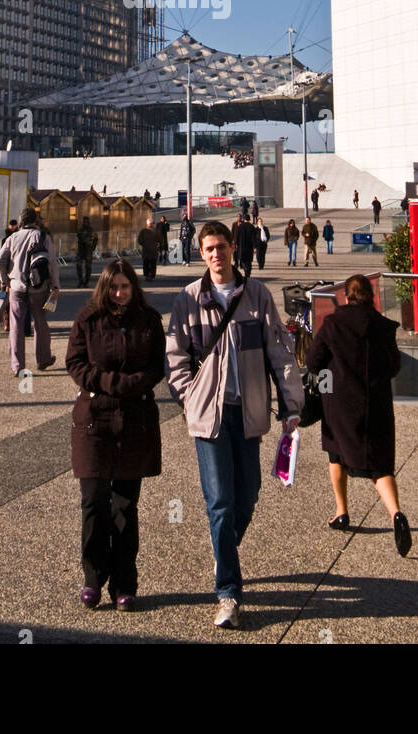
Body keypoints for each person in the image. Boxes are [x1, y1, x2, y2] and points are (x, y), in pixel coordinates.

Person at [166, 222, 303, 630]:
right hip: (209, 416)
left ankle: (223, 547)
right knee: (221, 502)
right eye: (208, 248)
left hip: (248, 413)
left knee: (249, 495)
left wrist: (291, 404)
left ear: (231, 248)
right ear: (201, 252)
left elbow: (279, 351)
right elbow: (175, 356)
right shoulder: (189, 299)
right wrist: (190, 397)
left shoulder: (256, 295)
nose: (215, 254)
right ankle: (228, 592)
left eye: (221, 247)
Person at [66, 260, 165, 611]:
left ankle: (124, 582)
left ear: (134, 288)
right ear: (104, 288)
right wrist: (110, 383)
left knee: (124, 506)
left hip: (134, 419)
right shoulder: (87, 319)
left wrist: (134, 384)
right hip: (94, 420)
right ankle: (93, 577)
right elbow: (76, 364)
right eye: (113, 287)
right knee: (93, 502)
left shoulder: (149, 320)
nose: (119, 293)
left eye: (125, 287)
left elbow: (157, 366)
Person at [305, 274, 411, 556]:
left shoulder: (333, 324)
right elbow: (393, 365)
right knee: (380, 466)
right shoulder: (383, 327)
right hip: (375, 402)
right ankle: (396, 514)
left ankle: (341, 512)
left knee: (336, 453)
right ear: (372, 295)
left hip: (339, 402)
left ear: (346, 296)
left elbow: (313, 361)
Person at [0, 208, 59, 374]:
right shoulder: (44, 237)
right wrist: (55, 286)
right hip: (39, 289)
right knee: (40, 323)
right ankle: (43, 359)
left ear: (21, 221)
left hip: (16, 288)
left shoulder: (13, 238)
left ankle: (17, 366)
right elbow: (52, 264)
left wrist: (5, 280)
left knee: (16, 326)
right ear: (36, 220)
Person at [76, 217, 99, 288]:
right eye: (84, 221)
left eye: (86, 221)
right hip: (81, 251)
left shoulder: (92, 230)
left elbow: (96, 239)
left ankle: (86, 282)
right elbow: (79, 237)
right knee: (78, 266)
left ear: (88, 222)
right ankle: (80, 281)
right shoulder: (80, 230)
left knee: (88, 267)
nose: (85, 223)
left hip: (88, 251)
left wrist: (93, 248)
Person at [137, 216, 160, 280]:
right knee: (146, 264)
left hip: (153, 251)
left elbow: (160, 239)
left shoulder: (156, 231)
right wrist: (144, 244)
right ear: (147, 223)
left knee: (153, 264)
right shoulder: (143, 231)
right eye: (150, 223)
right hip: (146, 251)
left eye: (152, 223)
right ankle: (147, 275)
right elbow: (139, 240)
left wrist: (159, 246)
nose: (151, 224)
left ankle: (152, 276)